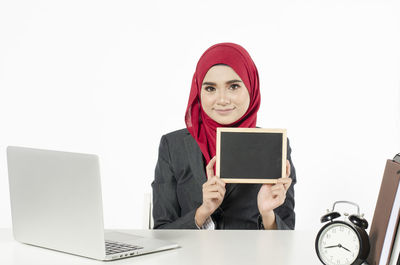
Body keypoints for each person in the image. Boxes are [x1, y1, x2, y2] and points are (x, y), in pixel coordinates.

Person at [151, 43, 296, 230]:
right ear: (199, 91)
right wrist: (203, 212)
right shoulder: (173, 146)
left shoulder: (274, 144)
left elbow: (287, 238)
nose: (222, 99)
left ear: (251, 88)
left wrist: (267, 214)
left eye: (234, 86)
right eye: (210, 88)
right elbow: (161, 233)